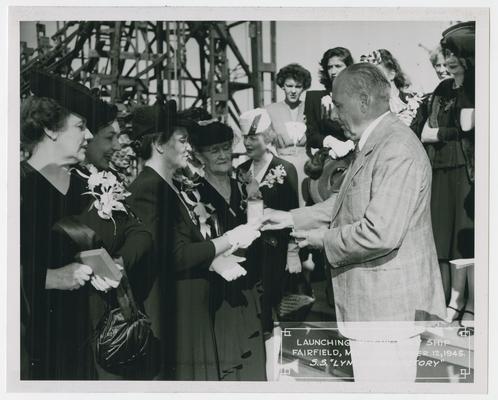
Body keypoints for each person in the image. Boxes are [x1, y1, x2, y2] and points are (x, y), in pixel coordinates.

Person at [261, 63, 446, 382]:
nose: (333, 115)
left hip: (388, 313)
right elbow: (347, 200)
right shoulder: (375, 142)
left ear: (363, 101)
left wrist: (318, 239)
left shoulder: (396, 148)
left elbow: (379, 234)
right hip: (375, 309)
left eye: (338, 104)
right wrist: (290, 218)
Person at [127, 100, 259, 380]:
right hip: (177, 318)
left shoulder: (168, 185)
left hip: (192, 314)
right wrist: (229, 239)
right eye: (183, 140)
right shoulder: (149, 189)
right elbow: (174, 256)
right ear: (160, 145)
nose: (189, 147)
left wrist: (214, 261)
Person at [20, 70, 118, 379]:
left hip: (86, 343)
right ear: (50, 129)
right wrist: (47, 278)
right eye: (81, 126)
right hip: (34, 345)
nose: (89, 136)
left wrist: (112, 268)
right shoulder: (16, 187)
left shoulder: (81, 188)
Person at [74, 114, 157, 379]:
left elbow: (141, 231)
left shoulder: (108, 177)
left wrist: (120, 262)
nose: (116, 146)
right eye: (109, 137)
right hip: (78, 315)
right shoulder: (66, 183)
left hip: (116, 316)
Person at [187, 120, 266, 380]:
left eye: (224, 148)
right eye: (213, 151)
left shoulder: (245, 187)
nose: (222, 155)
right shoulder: (194, 193)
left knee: (254, 356)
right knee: (227, 360)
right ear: (199, 156)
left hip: (249, 282)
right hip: (218, 289)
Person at [411, 22, 475, 328]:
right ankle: (450, 299)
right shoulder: (440, 89)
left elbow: (470, 129)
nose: (448, 61)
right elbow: (425, 132)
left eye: (453, 55)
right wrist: (447, 132)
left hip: (466, 168)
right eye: (444, 56)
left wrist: (443, 132)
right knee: (441, 237)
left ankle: (468, 303)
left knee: (464, 241)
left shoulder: (478, 87)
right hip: (439, 168)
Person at [237, 108, 299, 380]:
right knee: (256, 312)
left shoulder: (285, 169)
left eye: (254, 136)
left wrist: (294, 253)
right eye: (245, 137)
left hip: (276, 253)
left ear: (268, 136)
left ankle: (282, 371)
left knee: (279, 310)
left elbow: (294, 214)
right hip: (248, 254)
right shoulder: (240, 171)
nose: (248, 142)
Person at [265, 63, 311, 206]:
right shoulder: (270, 110)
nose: (293, 91)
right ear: (282, 86)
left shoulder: (310, 107)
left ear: (303, 88)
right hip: (281, 167)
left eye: (298, 87)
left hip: (307, 168)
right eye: (289, 86)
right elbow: (263, 143)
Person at [303, 47, 354, 155]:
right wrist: (331, 142)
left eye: (338, 66)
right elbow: (311, 135)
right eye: (330, 67)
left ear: (349, 68)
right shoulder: (314, 98)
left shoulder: (357, 97)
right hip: (326, 159)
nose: (333, 71)